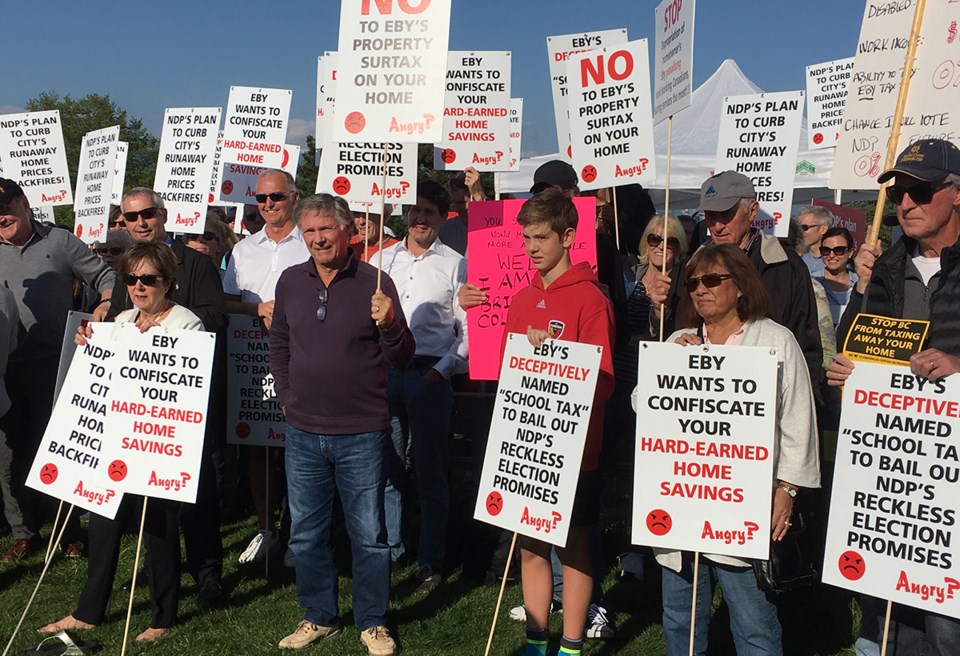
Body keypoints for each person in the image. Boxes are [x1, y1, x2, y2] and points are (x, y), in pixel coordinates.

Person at [641, 244, 820, 656]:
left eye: (711, 280)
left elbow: (798, 422)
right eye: (693, 283)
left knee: (753, 621)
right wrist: (670, 363)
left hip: (740, 507)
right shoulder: (678, 342)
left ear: (740, 287)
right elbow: (642, 404)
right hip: (681, 503)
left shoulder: (775, 340)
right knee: (679, 617)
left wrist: (787, 490)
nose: (700, 289)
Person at [828, 138, 960, 656]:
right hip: (894, 484)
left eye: (920, 191)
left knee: (947, 628)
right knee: (888, 626)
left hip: (950, 487)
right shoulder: (884, 266)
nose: (905, 203)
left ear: (955, 194)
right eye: (900, 191)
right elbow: (855, 346)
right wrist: (850, 371)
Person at [270, 193, 414, 654]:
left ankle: (372, 620)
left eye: (325, 230)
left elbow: (404, 356)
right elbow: (279, 344)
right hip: (303, 431)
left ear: (347, 230)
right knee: (306, 533)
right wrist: (287, 396)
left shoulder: (376, 281)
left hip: (362, 432)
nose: (317, 239)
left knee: (369, 535)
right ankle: (318, 615)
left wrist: (390, 323)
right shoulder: (291, 281)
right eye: (308, 231)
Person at [41, 241, 204, 642]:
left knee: (160, 528)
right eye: (131, 279)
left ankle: (162, 617)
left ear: (169, 281)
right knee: (102, 524)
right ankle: (87, 612)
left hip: (159, 441)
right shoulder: (123, 319)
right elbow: (102, 375)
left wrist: (152, 345)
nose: (139, 287)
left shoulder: (187, 324)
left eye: (149, 279)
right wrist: (89, 346)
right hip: (114, 439)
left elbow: (185, 384)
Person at [505, 189, 615, 656]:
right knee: (530, 544)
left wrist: (556, 358)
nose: (532, 246)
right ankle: (536, 638)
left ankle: (571, 643)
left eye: (542, 237)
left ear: (568, 236)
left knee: (572, 546)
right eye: (526, 237)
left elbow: (605, 381)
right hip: (528, 443)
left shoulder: (592, 300)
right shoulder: (522, 297)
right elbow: (513, 374)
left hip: (576, 449)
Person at [107, 187, 228, 609]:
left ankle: (208, 573)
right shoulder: (127, 270)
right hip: (142, 404)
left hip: (189, 402)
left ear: (163, 213)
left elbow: (215, 319)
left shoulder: (195, 262)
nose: (140, 223)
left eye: (147, 214)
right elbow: (125, 324)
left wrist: (170, 324)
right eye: (130, 217)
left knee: (198, 492)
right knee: (149, 492)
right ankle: (158, 569)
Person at [0, 178, 115, 562]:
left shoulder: (61, 242)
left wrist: (105, 304)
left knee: (56, 451)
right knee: (8, 455)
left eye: (5, 209)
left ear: (24, 203)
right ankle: (22, 532)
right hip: (4, 369)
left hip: (55, 365)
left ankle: (68, 530)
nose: (0, 218)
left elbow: (106, 276)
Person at [377, 180, 468, 591]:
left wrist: (442, 370)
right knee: (389, 468)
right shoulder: (381, 261)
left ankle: (430, 559)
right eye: (415, 210)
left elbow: (468, 331)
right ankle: (392, 552)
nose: (420, 219)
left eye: (429, 212)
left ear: (442, 217)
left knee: (429, 472)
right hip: (385, 373)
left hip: (430, 374)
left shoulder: (456, 264)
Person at [224, 169, 306, 567]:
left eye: (276, 197)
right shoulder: (243, 250)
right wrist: (256, 308)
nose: (268, 204)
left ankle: (297, 530)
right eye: (261, 199)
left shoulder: (309, 243)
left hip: (301, 356)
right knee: (258, 446)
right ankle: (265, 529)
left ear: (294, 197)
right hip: (252, 358)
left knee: (299, 444)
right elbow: (226, 301)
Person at [679, 171, 823, 398]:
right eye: (709, 215)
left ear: (752, 211)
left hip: (766, 399)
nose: (716, 225)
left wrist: (795, 403)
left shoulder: (785, 265)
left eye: (725, 214)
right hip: (704, 398)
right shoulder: (691, 266)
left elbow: (807, 344)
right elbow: (681, 329)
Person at [815, 227, 858, 327]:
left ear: (850, 252)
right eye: (825, 250)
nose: (831, 255)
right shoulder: (811, 282)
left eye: (839, 250)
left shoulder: (860, 284)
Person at [438, 166, 486, 256]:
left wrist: (479, 196)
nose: (457, 209)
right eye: (454, 203)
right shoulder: (444, 230)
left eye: (462, 202)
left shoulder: (497, 226)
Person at [796, 205, 835, 277]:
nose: (799, 232)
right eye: (797, 228)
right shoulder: (796, 258)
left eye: (804, 227)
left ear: (823, 229)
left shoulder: (836, 260)